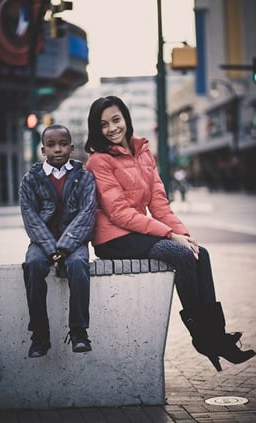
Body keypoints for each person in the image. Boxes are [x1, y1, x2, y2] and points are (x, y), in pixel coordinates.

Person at [84, 95, 255, 372]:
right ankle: (203, 338)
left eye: (116, 120)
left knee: (199, 253)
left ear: (126, 118)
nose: (112, 128)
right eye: (103, 124)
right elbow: (118, 213)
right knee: (179, 255)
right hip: (112, 238)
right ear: (96, 129)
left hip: (136, 231)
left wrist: (185, 236)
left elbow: (159, 204)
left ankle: (217, 337)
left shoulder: (143, 154)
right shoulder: (99, 161)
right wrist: (170, 237)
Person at [20, 124, 96, 358]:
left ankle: (79, 332)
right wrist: (52, 248)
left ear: (72, 148)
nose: (58, 149)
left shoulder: (84, 178)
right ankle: (40, 336)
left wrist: (64, 247)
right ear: (43, 150)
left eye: (63, 144)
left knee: (78, 265)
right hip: (42, 242)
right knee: (32, 265)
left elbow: (87, 214)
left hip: (73, 242)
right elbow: (30, 217)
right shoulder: (31, 179)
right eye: (51, 145)